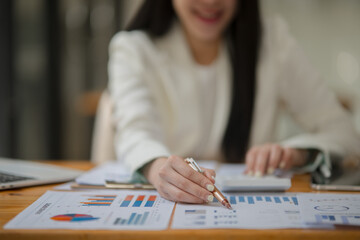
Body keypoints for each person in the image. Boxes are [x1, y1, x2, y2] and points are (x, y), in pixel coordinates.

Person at [108, 0, 360, 203]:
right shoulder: (133, 48)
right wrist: (156, 167)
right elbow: (135, 134)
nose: (211, 2)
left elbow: (343, 132)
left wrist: (296, 153)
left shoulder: (273, 41)